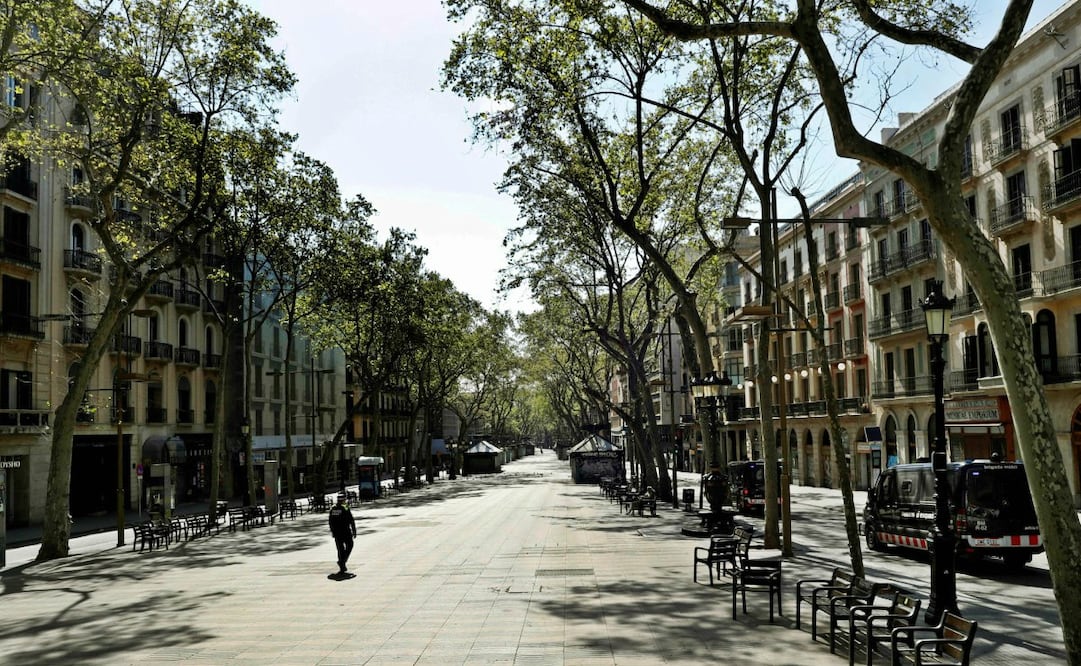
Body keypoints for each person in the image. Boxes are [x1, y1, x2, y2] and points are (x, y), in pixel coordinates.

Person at [328, 493, 356, 574]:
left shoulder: (333, 508)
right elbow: (351, 519)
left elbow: (331, 521)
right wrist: (354, 530)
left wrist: (332, 531)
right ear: (344, 500)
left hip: (337, 532)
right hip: (345, 531)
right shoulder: (345, 507)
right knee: (350, 545)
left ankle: (342, 562)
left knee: (340, 549)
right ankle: (343, 561)